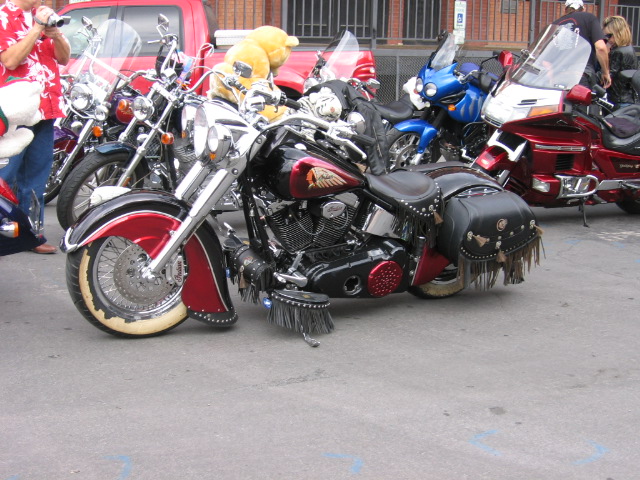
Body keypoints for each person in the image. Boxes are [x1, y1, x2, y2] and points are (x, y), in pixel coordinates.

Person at [0, 0, 70, 254]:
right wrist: (36, 29)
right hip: (15, 112)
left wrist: (56, 34)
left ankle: (32, 235)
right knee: (5, 177)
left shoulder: (40, 16)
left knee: (37, 178)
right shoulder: (4, 17)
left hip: (45, 108)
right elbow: (9, 60)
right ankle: (3, 234)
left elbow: (63, 57)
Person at [553, 0, 611, 90]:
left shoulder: (556, 24)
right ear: (583, 8)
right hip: (581, 74)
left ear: (565, 9)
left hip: (559, 76)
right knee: (580, 103)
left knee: (562, 104)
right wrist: (605, 72)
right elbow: (601, 48)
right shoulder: (589, 18)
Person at [603, 15, 638, 109]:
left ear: (618, 33)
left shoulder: (618, 52)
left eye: (610, 35)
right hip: (627, 99)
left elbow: (608, 76)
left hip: (618, 100)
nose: (608, 39)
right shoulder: (628, 49)